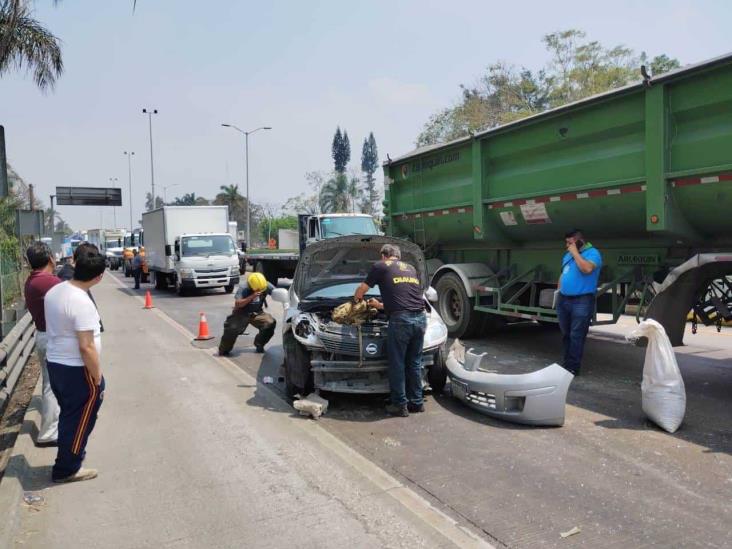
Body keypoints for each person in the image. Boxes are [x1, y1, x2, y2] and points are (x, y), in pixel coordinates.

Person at [44, 248, 107, 483]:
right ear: (99, 276)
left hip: (56, 364)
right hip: (76, 370)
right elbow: (86, 346)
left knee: (70, 416)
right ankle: (67, 468)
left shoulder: (56, 290)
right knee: (80, 418)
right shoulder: (82, 302)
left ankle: (69, 457)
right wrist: (97, 375)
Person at [354, 244, 426, 417]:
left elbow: (362, 289)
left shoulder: (380, 266)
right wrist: (379, 306)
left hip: (401, 322)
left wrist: (356, 301)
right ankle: (417, 402)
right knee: (414, 363)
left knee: (397, 363)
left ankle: (400, 405)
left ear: (384, 255)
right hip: (420, 319)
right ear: (398, 256)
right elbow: (403, 298)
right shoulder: (410, 268)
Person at [24, 241, 62, 447]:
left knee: (52, 384)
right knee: (51, 385)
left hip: (44, 335)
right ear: (50, 259)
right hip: (51, 338)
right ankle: (48, 433)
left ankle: (53, 427)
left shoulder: (33, 280)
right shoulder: (49, 281)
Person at [557, 229, 602, 376]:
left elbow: (587, 269)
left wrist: (575, 253)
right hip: (563, 299)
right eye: (567, 243)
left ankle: (573, 367)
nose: (567, 246)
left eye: (570, 242)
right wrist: (559, 290)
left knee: (577, 334)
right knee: (566, 334)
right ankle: (566, 363)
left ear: (579, 241)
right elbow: (564, 273)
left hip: (581, 300)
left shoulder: (593, 253)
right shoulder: (567, 255)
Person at [218, 273, 276, 356]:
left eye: (261, 290)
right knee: (232, 328)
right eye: (258, 290)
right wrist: (252, 296)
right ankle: (224, 349)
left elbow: (277, 292)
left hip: (257, 313)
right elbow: (238, 304)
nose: (260, 291)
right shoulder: (244, 287)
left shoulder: (264, 285)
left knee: (270, 323)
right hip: (241, 313)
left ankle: (259, 343)